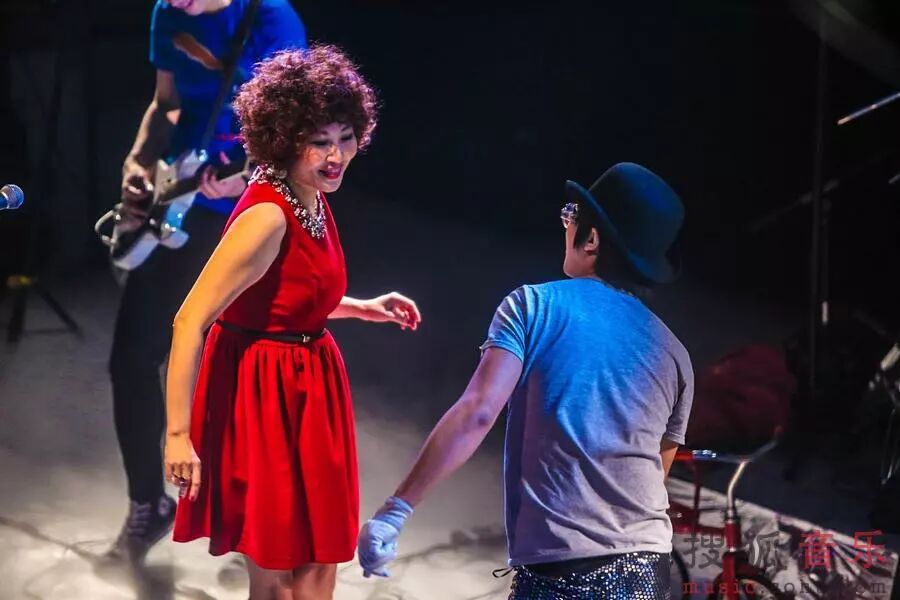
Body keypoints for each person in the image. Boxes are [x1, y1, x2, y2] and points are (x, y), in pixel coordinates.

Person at [358, 163, 694, 599]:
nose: (566, 225)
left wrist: (395, 511)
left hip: (566, 571)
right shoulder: (676, 355)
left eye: (571, 215)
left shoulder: (534, 306)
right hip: (648, 568)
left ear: (592, 239)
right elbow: (655, 471)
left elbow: (478, 412)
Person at [164, 46, 422, 599]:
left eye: (345, 138)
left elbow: (283, 295)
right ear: (283, 140)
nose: (336, 155)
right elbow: (189, 320)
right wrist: (179, 436)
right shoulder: (267, 215)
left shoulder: (310, 195)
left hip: (308, 384)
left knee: (318, 561)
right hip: (265, 393)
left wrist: (361, 307)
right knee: (283, 573)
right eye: (319, 141)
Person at [107, 0, 307, 562]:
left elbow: (302, 134)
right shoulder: (167, 13)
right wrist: (138, 161)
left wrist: (251, 174)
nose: (178, 4)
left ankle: (253, 519)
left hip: (248, 214)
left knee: (244, 370)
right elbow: (166, 104)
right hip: (177, 204)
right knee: (131, 359)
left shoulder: (270, 20)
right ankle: (148, 504)